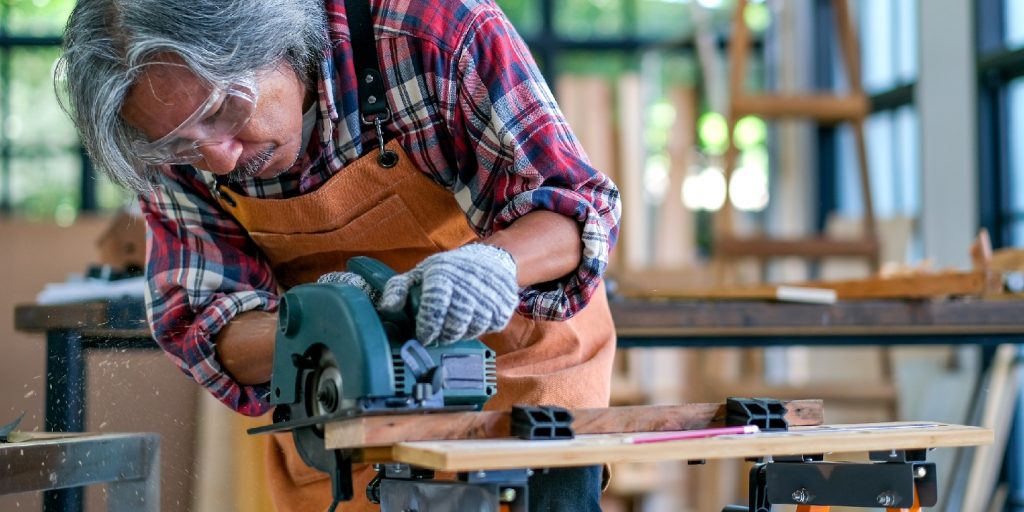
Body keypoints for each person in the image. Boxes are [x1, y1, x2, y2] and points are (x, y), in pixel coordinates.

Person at [58, 0, 620, 510]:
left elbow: (577, 211)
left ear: (275, 32)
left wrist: (493, 264)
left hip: (518, 387)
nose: (221, 161)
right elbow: (204, 323)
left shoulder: (427, 30)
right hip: (346, 413)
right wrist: (322, 325)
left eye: (225, 111)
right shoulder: (167, 148)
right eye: (183, 145)